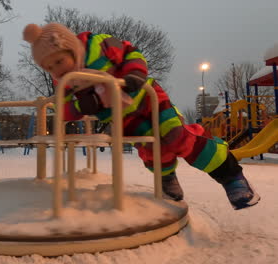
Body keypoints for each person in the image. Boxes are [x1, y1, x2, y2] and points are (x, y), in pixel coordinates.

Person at [22, 23, 261, 210]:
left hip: (148, 97)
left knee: (176, 136)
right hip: (124, 116)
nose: (57, 69)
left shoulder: (100, 45)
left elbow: (130, 51)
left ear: (70, 47)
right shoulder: (65, 80)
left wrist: (134, 73)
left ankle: (230, 176)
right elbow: (63, 110)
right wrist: (82, 106)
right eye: (49, 67)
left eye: (59, 60)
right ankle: (166, 177)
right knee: (151, 149)